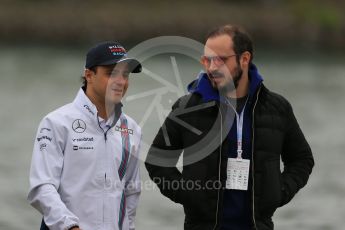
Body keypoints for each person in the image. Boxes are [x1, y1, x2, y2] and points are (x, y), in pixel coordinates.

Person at [145, 25, 314, 230]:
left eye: (221, 60)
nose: (212, 67)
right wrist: (188, 195)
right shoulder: (187, 107)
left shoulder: (277, 108)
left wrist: (279, 192)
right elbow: (157, 159)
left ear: (244, 59)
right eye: (207, 60)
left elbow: (301, 159)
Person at [28, 41, 143, 230]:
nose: (121, 81)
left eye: (125, 74)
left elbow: (132, 192)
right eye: (111, 73)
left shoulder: (131, 129)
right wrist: (70, 227)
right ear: (89, 75)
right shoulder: (56, 123)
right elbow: (42, 188)